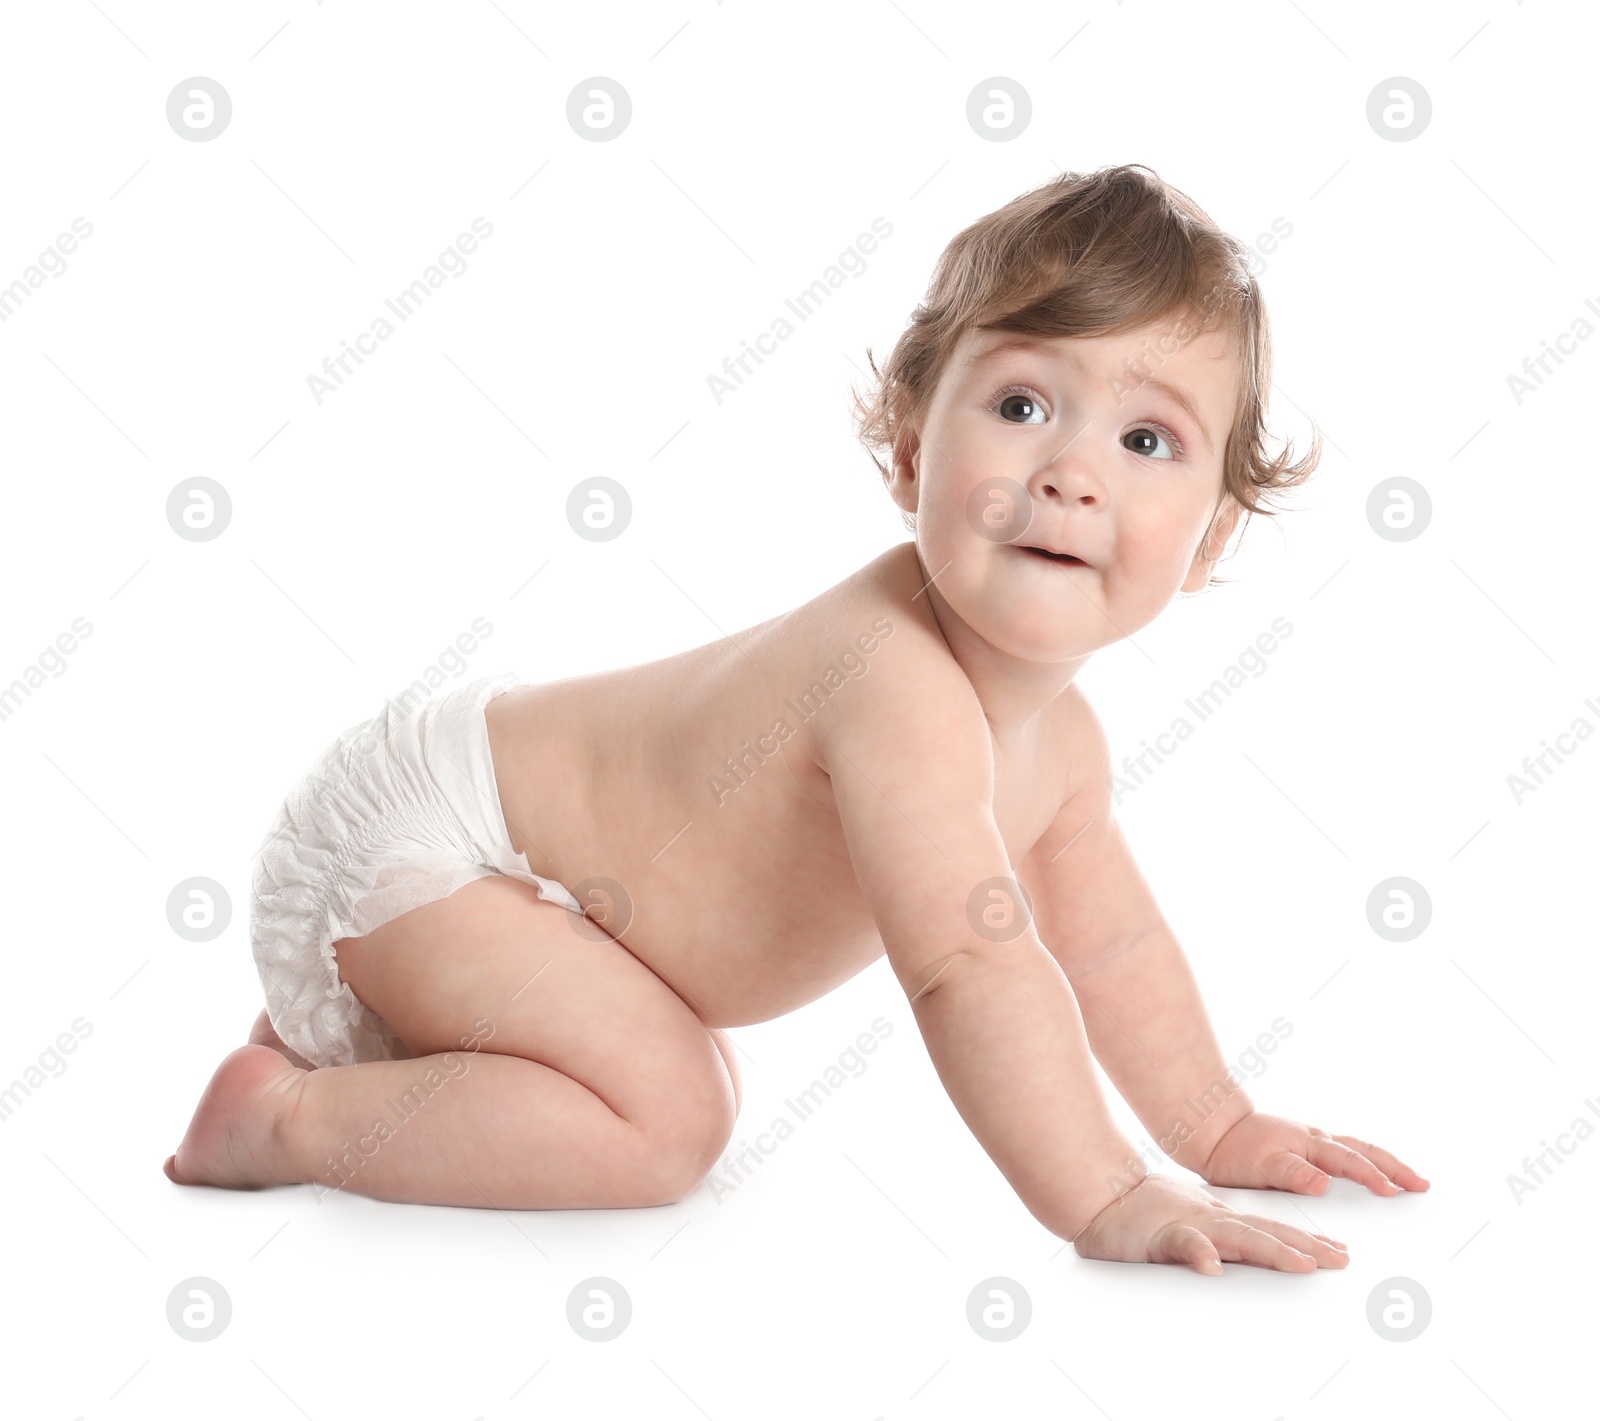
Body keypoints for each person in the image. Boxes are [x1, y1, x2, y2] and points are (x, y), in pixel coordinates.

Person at [164, 163, 1427, 1273]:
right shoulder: (892, 678)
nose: (1071, 470)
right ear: (908, 447)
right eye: (1023, 405)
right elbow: (969, 964)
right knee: (671, 1113)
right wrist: (1104, 1189)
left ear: (1208, 536)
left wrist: (1213, 1125)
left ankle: (378, 1044)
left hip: (503, 874)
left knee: (676, 1076)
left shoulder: (1064, 746)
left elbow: (1109, 950)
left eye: (1148, 436)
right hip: (430, 849)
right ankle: (276, 1119)